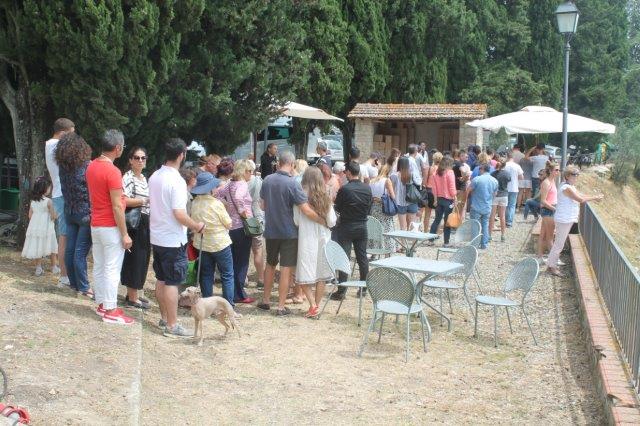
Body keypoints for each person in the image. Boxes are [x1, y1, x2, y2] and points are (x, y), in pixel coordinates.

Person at [257, 151, 326, 316]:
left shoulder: (267, 180)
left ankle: (266, 300)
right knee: (286, 269)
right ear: (292, 164)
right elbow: (305, 209)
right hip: (289, 233)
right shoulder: (293, 183)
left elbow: (262, 206)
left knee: (270, 265)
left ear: (279, 163)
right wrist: (322, 220)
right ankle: (281, 307)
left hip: (271, 230)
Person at [149, 138, 205, 337]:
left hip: (157, 236)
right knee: (172, 283)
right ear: (182, 155)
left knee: (161, 279)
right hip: (172, 238)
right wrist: (197, 225)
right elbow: (179, 214)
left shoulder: (154, 176)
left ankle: (165, 318)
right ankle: (173, 325)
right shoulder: (177, 181)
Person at [86, 130, 133, 324]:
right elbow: (117, 206)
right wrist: (125, 234)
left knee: (99, 265)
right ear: (118, 148)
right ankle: (111, 309)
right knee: (112, 268)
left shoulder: (91, 166)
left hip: (96, 223)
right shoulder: (113, 171)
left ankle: (102, 304)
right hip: (110, 225)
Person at [294, 167, 337, 317]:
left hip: (306, 238)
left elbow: (296, 221)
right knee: (321, 275)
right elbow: (332, 221)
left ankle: (313, 305)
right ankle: (316, 306)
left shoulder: (300, 198)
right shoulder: (325, 197)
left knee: (303, 273)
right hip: (324, 237)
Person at [547, 166, 603, 277]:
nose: (576, 177)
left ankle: (551, 264)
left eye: (577, 175)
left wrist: (594, 196)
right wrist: (595, 198)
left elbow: (580, 195)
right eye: (574, 175)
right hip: (564, 219)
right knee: (559, 244)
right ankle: (552, 267)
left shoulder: (570, 186)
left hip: (567, 219)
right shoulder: (566, 188)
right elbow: (580, 199)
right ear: (567, 176)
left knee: (559, 243)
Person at [55, 132, 93, 298]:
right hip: (85, 213)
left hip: (69, 212)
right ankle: (84, 287)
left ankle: (74, 283)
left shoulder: (62, 168)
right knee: (80, 252)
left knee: (71, 250)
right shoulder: (86, 166)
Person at [190, 172, 235, 305]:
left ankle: (207, 305)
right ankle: (228, 305)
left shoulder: (194, 203)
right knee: (227, 275)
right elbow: (228, 224)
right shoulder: (216, 204)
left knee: (206, 275)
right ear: (210, 188)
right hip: (220, 243)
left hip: (202, 244)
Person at [330, 161, 372, 300]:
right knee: (362, 257)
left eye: (345, 172)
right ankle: (363, 288)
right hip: (362, 225)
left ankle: (342, 291)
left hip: (347, 226)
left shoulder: (345, 189)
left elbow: (338, 207)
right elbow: (369, 208)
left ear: (348, 172)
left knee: (344, 257)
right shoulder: (367, 188)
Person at [217, 159, 256, 304]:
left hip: (231, 227)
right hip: (242, 226)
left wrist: (226, 207)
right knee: (242, 262)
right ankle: (239, 294)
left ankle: (232, 291)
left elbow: (217, 194)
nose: (251, 174)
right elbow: (239, 198)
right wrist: (243, 212)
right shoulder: (242, 184)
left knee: (233, 261)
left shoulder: (229, 184)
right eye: (249, 171)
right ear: (243, 171)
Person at [44, 118, 75, 286]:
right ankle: (64, 276)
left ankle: (66, 275)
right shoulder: (56, 145)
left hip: (59, 193)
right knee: (65, 236)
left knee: (65, 235)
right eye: (71, 135)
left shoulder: (50, 145)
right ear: (63, 134)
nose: (73, 139)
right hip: (63, 194)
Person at [120, 147, 151, 310]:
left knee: (143, 258)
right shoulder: (128, 177)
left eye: (143, 158)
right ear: (130, 160)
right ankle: (132, 297)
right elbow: (123, 200)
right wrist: (144, 201)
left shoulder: (144, 178)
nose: (140, 160)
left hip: (144, 220)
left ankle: (134, 293)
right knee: (135, 258)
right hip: (134, 222)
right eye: (137, 157)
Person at [21, 176, 58, 276]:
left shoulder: (33, 201)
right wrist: (57, 214)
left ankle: (38, 268)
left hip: (36, 228)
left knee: (38, 246)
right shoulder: (49, 201)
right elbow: (53, 216)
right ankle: (54, 267)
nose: (50, 190)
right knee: (52, 246)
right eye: (49, 188)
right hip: (47, 228)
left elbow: (30, 215)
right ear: (44, 189)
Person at [466, 164, 498, 249]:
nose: (479, 170)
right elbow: (495, 194)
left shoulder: (477, 179)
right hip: (487, 206)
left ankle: (474, 245)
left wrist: (465, 200)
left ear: (482, 169)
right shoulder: (494, 180)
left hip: (476, 206)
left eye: (480, 168)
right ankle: (484, 244)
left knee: (475, 225)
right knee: (485, 225)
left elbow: (468, 190)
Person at [429, 156, 457, 245]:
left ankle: (430, 240)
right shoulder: (450, 173)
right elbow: (452, 188)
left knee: (437, 220)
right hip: (448, 200)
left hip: (439, 199)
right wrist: (455, 197)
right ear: (449, 164)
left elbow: (434, 189)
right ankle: (446, 242)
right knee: (447, 221)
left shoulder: (436, 173)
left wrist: (435, 199)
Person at [369, 163, 396, 253]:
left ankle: (374, 251)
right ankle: (388, 250)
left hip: (374, 207)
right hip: (383, 208)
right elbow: (393, 196)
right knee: (387, 229)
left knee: (375, 229)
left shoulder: (372, 181)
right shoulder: (387, 181)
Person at [537, 161, 560, 263]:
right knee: (550, 237)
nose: (558, 172)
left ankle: (540, 257)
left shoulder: (552, 181)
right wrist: (555, 209)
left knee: (543, 235)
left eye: (558, 170)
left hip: (549, 210)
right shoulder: (546, 183)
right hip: (548, 211)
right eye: (556, 170)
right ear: (550, 171)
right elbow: (543, 201)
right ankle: (554, 260)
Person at [247, 165, 265, 289]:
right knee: (258, 250)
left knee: (243, 251)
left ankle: (244, 278)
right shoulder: (259, 181)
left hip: (243, 217)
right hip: (257, 216)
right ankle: (261, 278)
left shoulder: (239, 182)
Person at [390, 157, 415, 231]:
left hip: (400, 202)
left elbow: (392, 189)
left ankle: (403, 239)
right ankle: (411, 238)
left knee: (402, 227)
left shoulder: (394, 175)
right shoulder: (411, 174)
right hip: (411, 201)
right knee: (412, 226)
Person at [489, 159, 511, 242]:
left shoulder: (493, 174)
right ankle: (503, 235)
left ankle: (489, 235)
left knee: (492, 216)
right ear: (505, 165)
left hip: (494, 195)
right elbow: (509, 181)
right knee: (502, 216)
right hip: (504, 195)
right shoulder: (507, 174)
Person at [422, 151, 442, 232]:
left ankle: (425, 231)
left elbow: (424, 182)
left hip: (429, 190)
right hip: (438, 192)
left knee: (427, 214)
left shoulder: (430, 168)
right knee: (438, 215)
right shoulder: (442, 170)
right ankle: (436, 233)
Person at [503, 152, 523, 227]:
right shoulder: (517, 166)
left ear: (507, 156)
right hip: (514, 187)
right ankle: (509, 222)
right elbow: (521, 177)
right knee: (511, 205)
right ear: (513, 157)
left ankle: (504, 220)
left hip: (505, 187)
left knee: (505, 205)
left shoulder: (504, 165)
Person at [453, 150, 471, 219]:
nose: (467, 159)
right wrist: (465, 177)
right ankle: (457, 221)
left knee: (457, 205)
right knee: (460, 205)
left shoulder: (454, 163)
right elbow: (463, 172)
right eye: (466, 157)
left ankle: (456, 220)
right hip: (460, 188)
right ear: (461, 156)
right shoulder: (459, 164)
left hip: (455, 186)